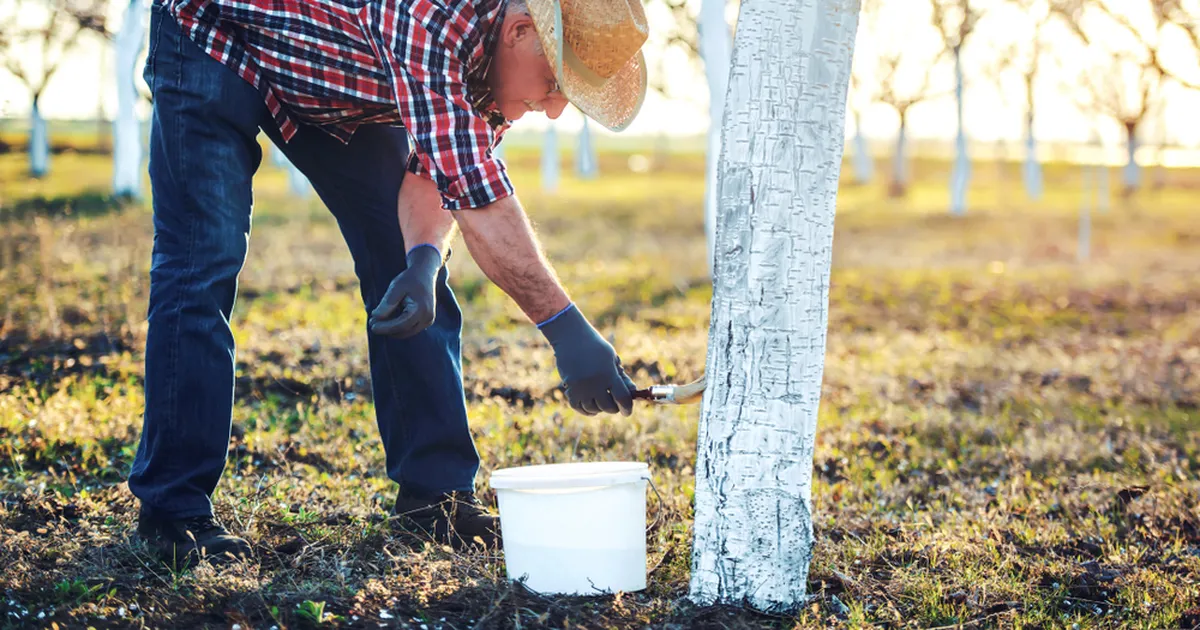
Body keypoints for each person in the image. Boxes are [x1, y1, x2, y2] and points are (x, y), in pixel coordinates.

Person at [127, 0, 650, 564]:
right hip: (214, 33)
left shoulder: (494, 65)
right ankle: (173, 512)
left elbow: (440, 174)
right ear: (520, 31)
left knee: (406, 268)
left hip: (334, 79)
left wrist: (423, 259)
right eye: (552, 83)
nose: (551, 110)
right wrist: (565, 329)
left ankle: (435, 502)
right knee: (203, 258)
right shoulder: (428, 17)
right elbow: (482, 203)